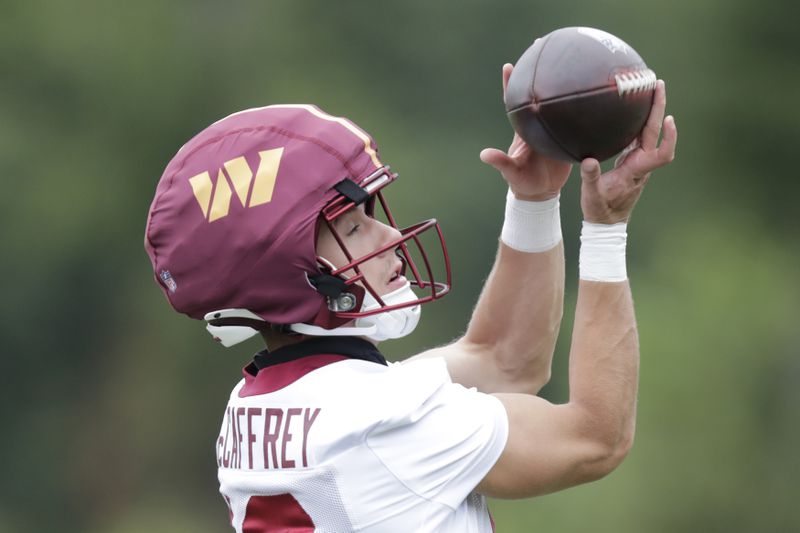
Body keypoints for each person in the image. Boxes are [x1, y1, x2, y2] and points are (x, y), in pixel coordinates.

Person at [144, 63, 677, 531]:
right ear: (285, 277)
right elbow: (595, 439)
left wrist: (534, 201)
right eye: (352, 230)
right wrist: (606, 228)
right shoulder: (377, 421)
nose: (387, 239)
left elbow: (503, 359)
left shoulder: (259, 405)